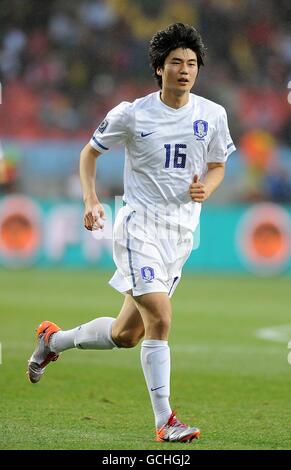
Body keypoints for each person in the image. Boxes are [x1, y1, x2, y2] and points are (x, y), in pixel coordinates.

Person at [27, 23, 236, 443]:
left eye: (192, 63)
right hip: (138, 227)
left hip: (181, 236)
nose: (185, 69)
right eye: (176, 62)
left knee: (128, 335)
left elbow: (218, 165)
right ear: (159, 68)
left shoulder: (212, 115)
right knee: (160, 317)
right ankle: (165, 421)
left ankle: (54, 341)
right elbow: (89, 153)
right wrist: (90, 199)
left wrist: (206, 189)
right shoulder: (132, 113)